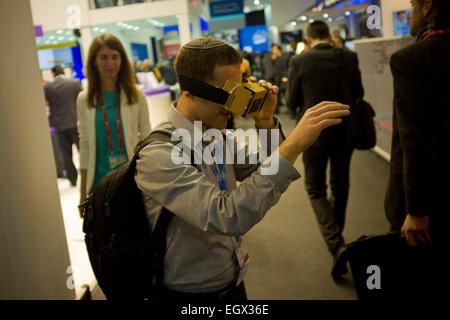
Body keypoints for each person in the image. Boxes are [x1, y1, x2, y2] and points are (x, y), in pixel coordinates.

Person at [134, 37, 350, 301]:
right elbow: (227, 214)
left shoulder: (213, 134)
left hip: (232, 278)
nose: (236, 108)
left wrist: (265, 121)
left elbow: (266, 168)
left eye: (243, 91)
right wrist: (292, 145)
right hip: (190, 294)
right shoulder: (158, 155)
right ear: (189, 92)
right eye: (230, 95)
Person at [286, 21, 364, 279]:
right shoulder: (349, 57)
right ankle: (337, 241)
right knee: (340, 185)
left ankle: (336, 244)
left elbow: (291, 101)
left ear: (309, 39)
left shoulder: (301, 61)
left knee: (315, 188)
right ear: (329, 36)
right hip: (345, 130)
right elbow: (358, 93)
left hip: (314, 134)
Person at [386, 0, 449, 253]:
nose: (409, 14)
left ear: (428, 7)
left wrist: (416, 210)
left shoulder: (411, 59)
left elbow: (415, 140)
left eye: (412, 5)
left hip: (432, 202)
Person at [77, 34, 151, 217]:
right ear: (94, 62)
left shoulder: (136, 95)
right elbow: (85, 146)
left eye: (115, 57)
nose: (110, 63)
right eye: (103, 57)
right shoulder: (84, 99)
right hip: (98, 185)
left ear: (122, 60)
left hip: (132, 182)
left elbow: (147, 139)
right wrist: (82, 195)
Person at [44, 65, 83, 186]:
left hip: (59, 125)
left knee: (66, 154)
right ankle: (89, 174)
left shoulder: (48, 87)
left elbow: (47, 105)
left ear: (53, 74)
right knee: (83, 151)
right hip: (76, 122)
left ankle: (73, 179)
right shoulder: (75, 83)